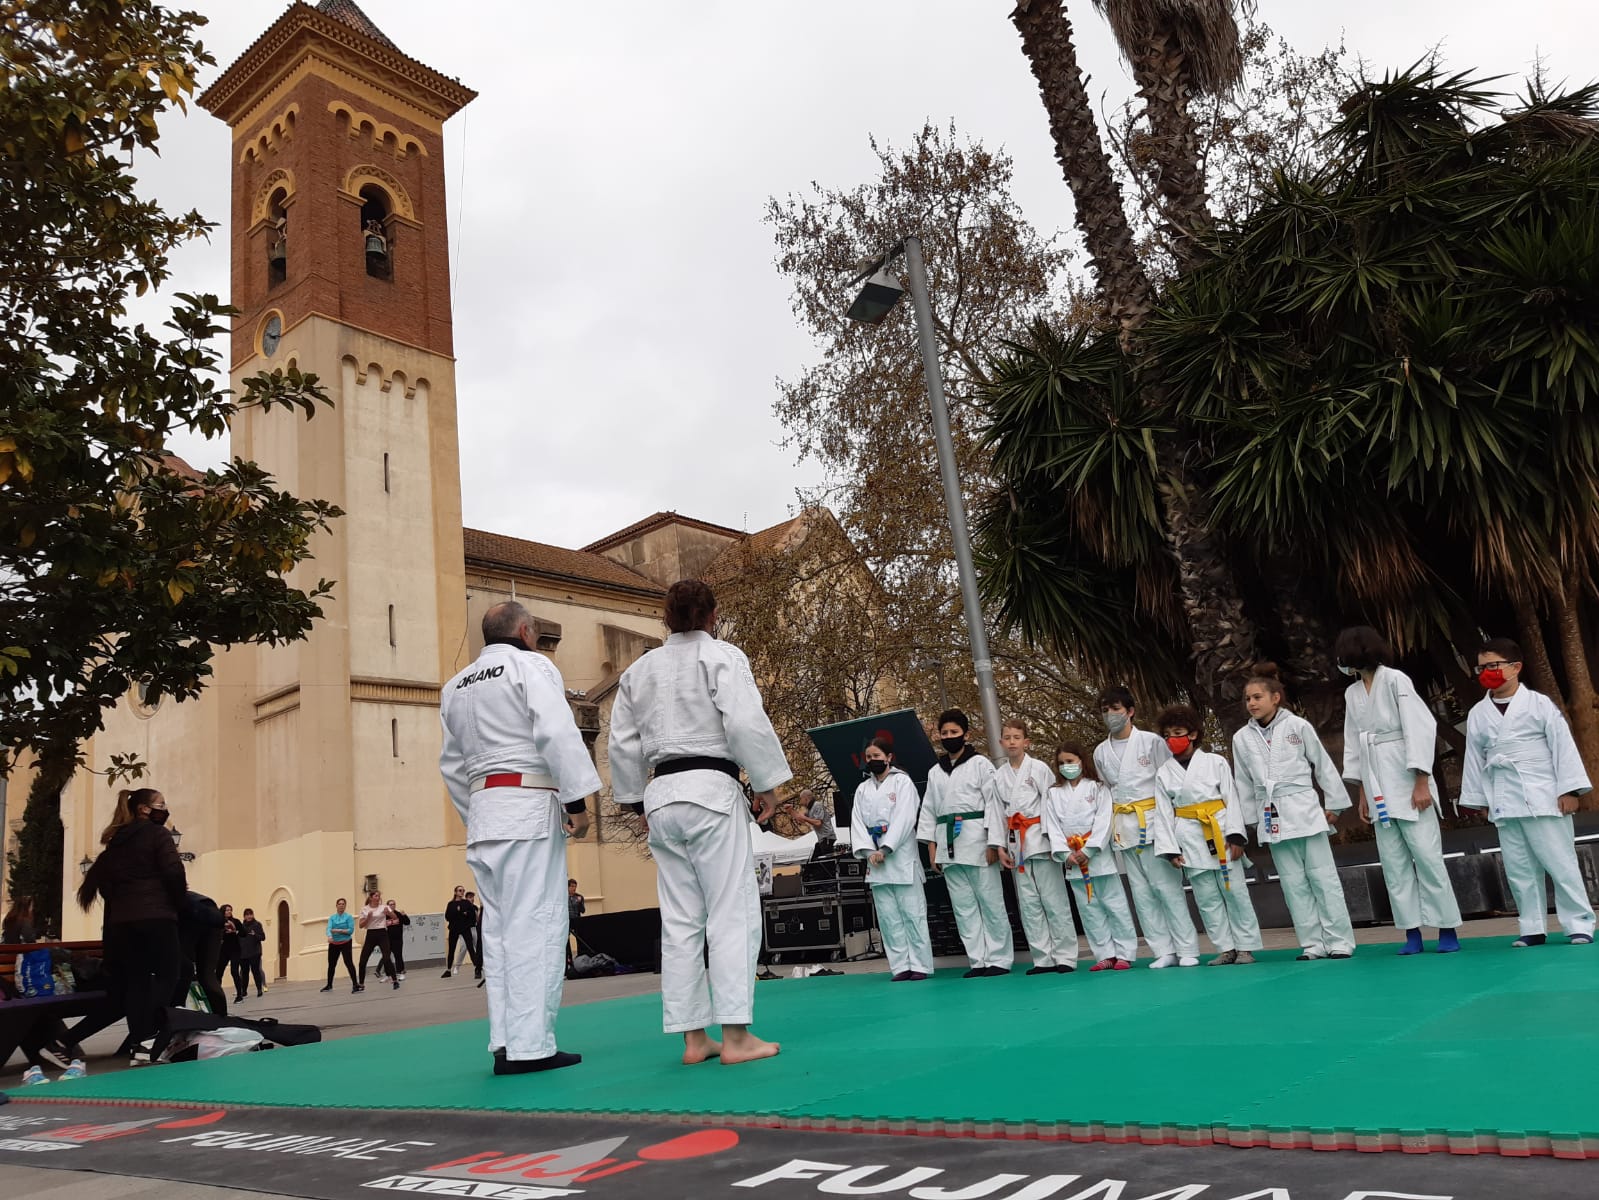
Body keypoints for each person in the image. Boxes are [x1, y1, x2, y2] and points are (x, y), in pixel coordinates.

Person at [609, 579, 788, 1066]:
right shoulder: (722, 656)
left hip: (661, 795)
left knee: (682, 918)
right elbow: (745, 722)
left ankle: (693, 1039)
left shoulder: (638, 671)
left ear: (666, 620)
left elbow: (622, 742)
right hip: (710, 788)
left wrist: (634, 803)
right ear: (712, 617)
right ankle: (735, 1037)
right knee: (730, 910)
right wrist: (769, 784)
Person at [439, 600, 600, 1074]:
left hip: (485, 812)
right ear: (526, 631)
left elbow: (450, 766)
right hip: (527, 805)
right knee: (538, 924)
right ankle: (532, 1046)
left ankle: (506, 1041)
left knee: (501, 932)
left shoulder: (456, 687)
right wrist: (576, 803)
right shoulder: (531, 666)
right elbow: (555, 731)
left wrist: (478, 815)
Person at [1459, 638, 1594, 947]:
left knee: (1560, 861)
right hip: (1504, 796)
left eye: (1493, 665)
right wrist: (1478, 800)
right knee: (1519, 867)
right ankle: (1531, 927)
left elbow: (1563, 747)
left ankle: (1579, 923)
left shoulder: (1539, 704)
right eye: (1481, 667)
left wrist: (1570, 789)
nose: (1486, 672)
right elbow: (1474, 757)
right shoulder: (1479, 713)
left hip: (1544, 792)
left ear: (1515, 667)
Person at [1336, 625, 1462, 955]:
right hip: (1375, 781)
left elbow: (1420, 728)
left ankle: (1447, 928)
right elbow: (1354, 741)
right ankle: (1412, 933)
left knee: (1427, 856)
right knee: (1394, 864)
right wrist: (1362, 791)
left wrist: (1422, 780)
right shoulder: (1352, 693)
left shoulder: (1395, 680)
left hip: (1406, 776)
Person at [1231, 663, 1356, 961]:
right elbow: (1243, 783)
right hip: (1271, 813)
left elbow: (1322, 764)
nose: (1251, 703)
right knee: (1292, 883)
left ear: (1276, 697)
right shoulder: (1241, 738)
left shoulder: (1298, 726)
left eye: (1257, 697)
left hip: (1304, 807)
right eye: (1248, 698)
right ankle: (1312, 944)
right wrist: (1251, 821)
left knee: (1323, 878)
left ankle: (1340, 941)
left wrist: (1334, 805)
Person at [75, 787, 186, 1065]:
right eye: (161, 804)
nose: (165, 808)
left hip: (123, 924)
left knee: (137, 983)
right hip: (156, 917)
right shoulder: (158, 834)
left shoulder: (116, 844)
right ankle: (149, 1039)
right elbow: (174, 871)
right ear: (144, 809)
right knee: (170, 974)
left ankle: (140, 1045)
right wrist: (178, 902)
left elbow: (106, 887)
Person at [1094, 687, 1202, 968]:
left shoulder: (1152, 742)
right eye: (1105, 710)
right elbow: (1107, 792)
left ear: (1130, 711)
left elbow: (1169, 781)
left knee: (1167, 889)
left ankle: (1187, 948)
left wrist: (1174, 826)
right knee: (1142, 894)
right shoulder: (1100, 752)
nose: (1110, 715)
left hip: (1154, 822)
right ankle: (1162, 950)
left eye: (1116, 709)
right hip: (1124, 827)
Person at [1153, 704, 1263, 966]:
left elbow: (1232, 798)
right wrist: (1170, 849)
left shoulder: (1216, 762)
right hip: (1189, 835)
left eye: (1177, 732)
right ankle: (1226, 948)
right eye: (1167, 735)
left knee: (1235, 891)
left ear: (1192, 734)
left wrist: (1237, 836)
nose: (1172, 739)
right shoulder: (1163, 772)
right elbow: (1163, 812)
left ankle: (1245, 947)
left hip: (1221, 829)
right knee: (1206, 897)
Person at [917, 708, 1013, 978]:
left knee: (991, 902)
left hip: (978, 840)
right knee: (963, 907)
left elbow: (994, 805)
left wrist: (994, 842)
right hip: (948, 843)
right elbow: (929, 810)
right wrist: (932, 847)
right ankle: (978, 960)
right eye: (945, 733)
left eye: (954, 732)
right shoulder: (935, 771)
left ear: (966, 735)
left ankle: (999, 959)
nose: (949, 737)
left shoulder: (981, 764)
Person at [990, 719, 1078, 974]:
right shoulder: (999, 776)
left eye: (1017, 737)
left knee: (1054, 901)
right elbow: (996, 813)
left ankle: (1065, 957)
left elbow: (1051, 804)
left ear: (1026, 742)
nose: (1012, 742)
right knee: (1029, 905)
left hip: (1040, 839)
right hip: (1016, 844)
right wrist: (1000, 846)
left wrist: (1054, 841)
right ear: (1001, 742)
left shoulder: (1038, 769)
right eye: (1007, 737)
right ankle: (1042, 958)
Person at [1045, 743, 1137, 971]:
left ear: (1082, 761)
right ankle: (1104, 954)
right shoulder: (1053, 793)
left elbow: (1104, 821)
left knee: (1115, 905)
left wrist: (1089, 849)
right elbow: (1052, 826)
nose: (1067, 766)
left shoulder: (1097, 788)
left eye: (1071, 761)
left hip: (1097, 855)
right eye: (1062, 763)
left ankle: (1125, 953)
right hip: (1072, 858)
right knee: (1089, 910)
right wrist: (1066, 853)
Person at [849, 736, 933, 981]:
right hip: (874, 858)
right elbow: (857, 823)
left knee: (912, 914)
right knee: (888, 917)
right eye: (868, 758)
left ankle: (920, 964)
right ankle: (900, 965)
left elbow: (906, 818)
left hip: (900, 853)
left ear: (888, 758)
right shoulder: (863, 789)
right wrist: (868, 850)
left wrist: (886, 848)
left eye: (876, 756)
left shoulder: (902, 783)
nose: (872, 761)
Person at [175, 891, 228, 1015]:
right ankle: (222, 1019)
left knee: (182, 969)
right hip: (209, 910)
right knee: (207, 975)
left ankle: (175, 1018)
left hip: (189, 913)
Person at [355, 891, 398, 991]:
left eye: (379, 896)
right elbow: (361, 925)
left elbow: (395, 917)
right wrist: (368, 918)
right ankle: (361, 984)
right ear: (371, 898)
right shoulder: (365, 909)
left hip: (382, 933)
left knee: (387, 958)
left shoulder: (383, 907)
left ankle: (395, 980)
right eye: (376, 896)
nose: (378, 898)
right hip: (371, 934)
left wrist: (389, 913)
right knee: (363, 960)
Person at [322, 898, 358, 992]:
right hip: (334, 943)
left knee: (348, 963)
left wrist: (338, 930)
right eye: (339, 904)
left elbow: (350, 931)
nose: (341, 905)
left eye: (343, 904)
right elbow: (329, 928)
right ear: (336, 906)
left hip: (345, 942)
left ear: (345, 906)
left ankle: (355, 984)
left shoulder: (348, 917)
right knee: (331, 964)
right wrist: (330, 936)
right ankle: (329, 985)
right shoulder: (332, 918)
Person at [442, 886, 479, 978]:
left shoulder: (466, 903)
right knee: (451, 949)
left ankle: (477, 968)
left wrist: (465, 914)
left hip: (465, 928)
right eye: (460, 890)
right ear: (455, 892)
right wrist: (458, 912)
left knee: (470, 947)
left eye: (463, 890)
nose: (462, 892)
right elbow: (447, 917)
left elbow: (471, 915)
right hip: (454, 928)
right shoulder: (451, 904)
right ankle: (448, 970)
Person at [236, 908, 267, 999]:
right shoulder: (241, 926)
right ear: (244, 916)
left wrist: (255, 935)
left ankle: (259, 989)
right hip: (243, 954)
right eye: (247, 915)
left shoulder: (257, 925)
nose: (249, 916)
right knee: (244, 973)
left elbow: (263, 937)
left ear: (253, 915)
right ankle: (244, 991)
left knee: (256, 971)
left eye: (250, 914)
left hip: (255, 952)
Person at [384, 900, 410, 982]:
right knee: (386, 957)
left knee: (398, 956)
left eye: (393, 904)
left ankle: (401, 973)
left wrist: (404, 915)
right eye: (390, 904)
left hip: (397, 939)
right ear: (387, 906)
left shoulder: (398, 914)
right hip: (387, 939)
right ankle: (387, 975)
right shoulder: (384, 916)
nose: (392, 906)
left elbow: (407, 922)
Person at [217, 904, 241, 995]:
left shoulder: (236, 921)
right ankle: (218, 994)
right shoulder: (219, 923)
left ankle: (239, 994)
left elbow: (243, 933)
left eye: (230, 910)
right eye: (227, 910)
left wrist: (234, 931)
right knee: (219, 972)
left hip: (235, 950)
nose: (229, 912)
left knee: (234, 972)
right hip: (223, 951)